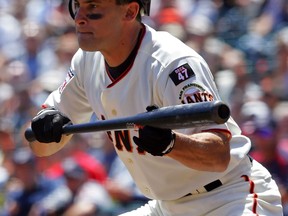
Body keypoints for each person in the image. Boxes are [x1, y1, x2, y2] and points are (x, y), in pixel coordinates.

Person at [27, 0, 283, 215]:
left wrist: (171, 143)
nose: (80, 17)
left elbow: (219, 155)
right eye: (77, 5)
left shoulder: (172, 62)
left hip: (229, 197)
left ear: (129, 11)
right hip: (167, 206)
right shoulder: (86, 60)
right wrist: (44, 129)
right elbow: (41, 147)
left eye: (93, 7)